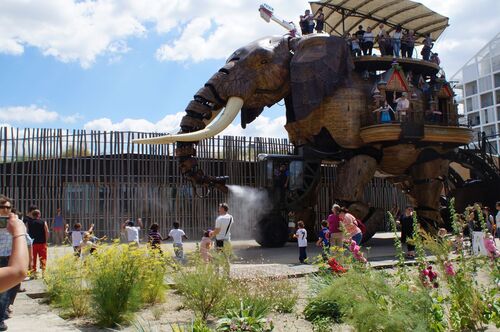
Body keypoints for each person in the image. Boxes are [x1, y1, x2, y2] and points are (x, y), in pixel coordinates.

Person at [0, 196, 29, 331]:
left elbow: (28, 241)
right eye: (2, 207)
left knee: (6, 292)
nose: (5, 210)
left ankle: (3, 313)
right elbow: (19, 271)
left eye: (8, 207)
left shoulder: (14, 224)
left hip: (9, 259)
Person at [25, 210, 48, 276]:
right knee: (43, 258)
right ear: (39, 215)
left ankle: (33, 274)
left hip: (32, 244)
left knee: (33, 258)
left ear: (32, 215)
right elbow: (47, 231)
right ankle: (43, 273)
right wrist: (45, 241)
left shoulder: (28, 222)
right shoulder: (43, 222)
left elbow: (26, 232)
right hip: (42, 243)